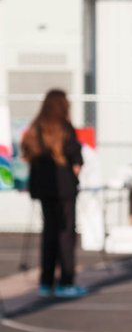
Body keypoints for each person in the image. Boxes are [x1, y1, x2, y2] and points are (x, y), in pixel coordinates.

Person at [20, 88, 87, 298]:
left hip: (43, 187)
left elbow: (26, 153)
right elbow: (77, 159)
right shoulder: (65, 128)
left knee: (49, 232)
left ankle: (45, 281)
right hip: (65, 187)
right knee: (66, 233)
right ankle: (65, 281)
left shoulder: (35, 128)